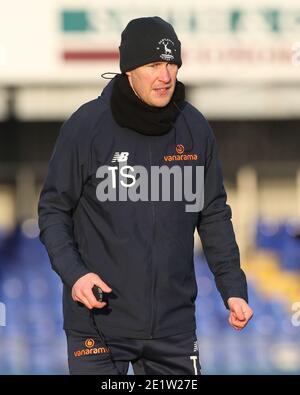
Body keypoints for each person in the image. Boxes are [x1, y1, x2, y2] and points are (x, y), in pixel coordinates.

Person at [38, 16, 253, 375]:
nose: (166, 76)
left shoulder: (194, 127)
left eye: (172, 64)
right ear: (129, 69)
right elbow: (53, 210)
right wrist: (75, 275)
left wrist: (233, 287)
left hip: (173, 328)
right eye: (154, 65)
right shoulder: (86, 126)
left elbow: (213, 213)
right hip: (98, 323)